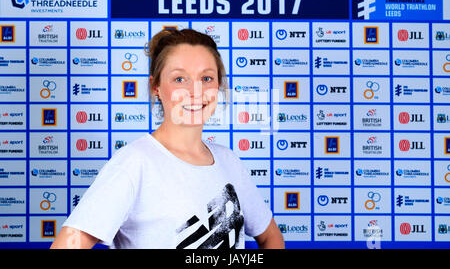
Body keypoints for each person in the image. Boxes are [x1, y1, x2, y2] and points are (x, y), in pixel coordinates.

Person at [51, 29, 284, 249]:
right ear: (156, 87)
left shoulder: (228, 161)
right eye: (180, 79)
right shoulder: (134, 164)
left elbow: (271, 236)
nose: (195, 91)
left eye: (206, 78)